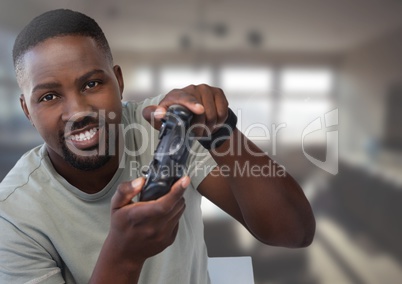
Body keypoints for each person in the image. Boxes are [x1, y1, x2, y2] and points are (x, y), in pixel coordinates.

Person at [0, 9, 315, 284]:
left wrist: (219, 131)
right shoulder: (13, 215)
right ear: (27, 110)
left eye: (92, 84)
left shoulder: (166, 128)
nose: (79, 110)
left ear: (119, 81)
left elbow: (294, 233)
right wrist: (124, 255)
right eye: (49, 96)